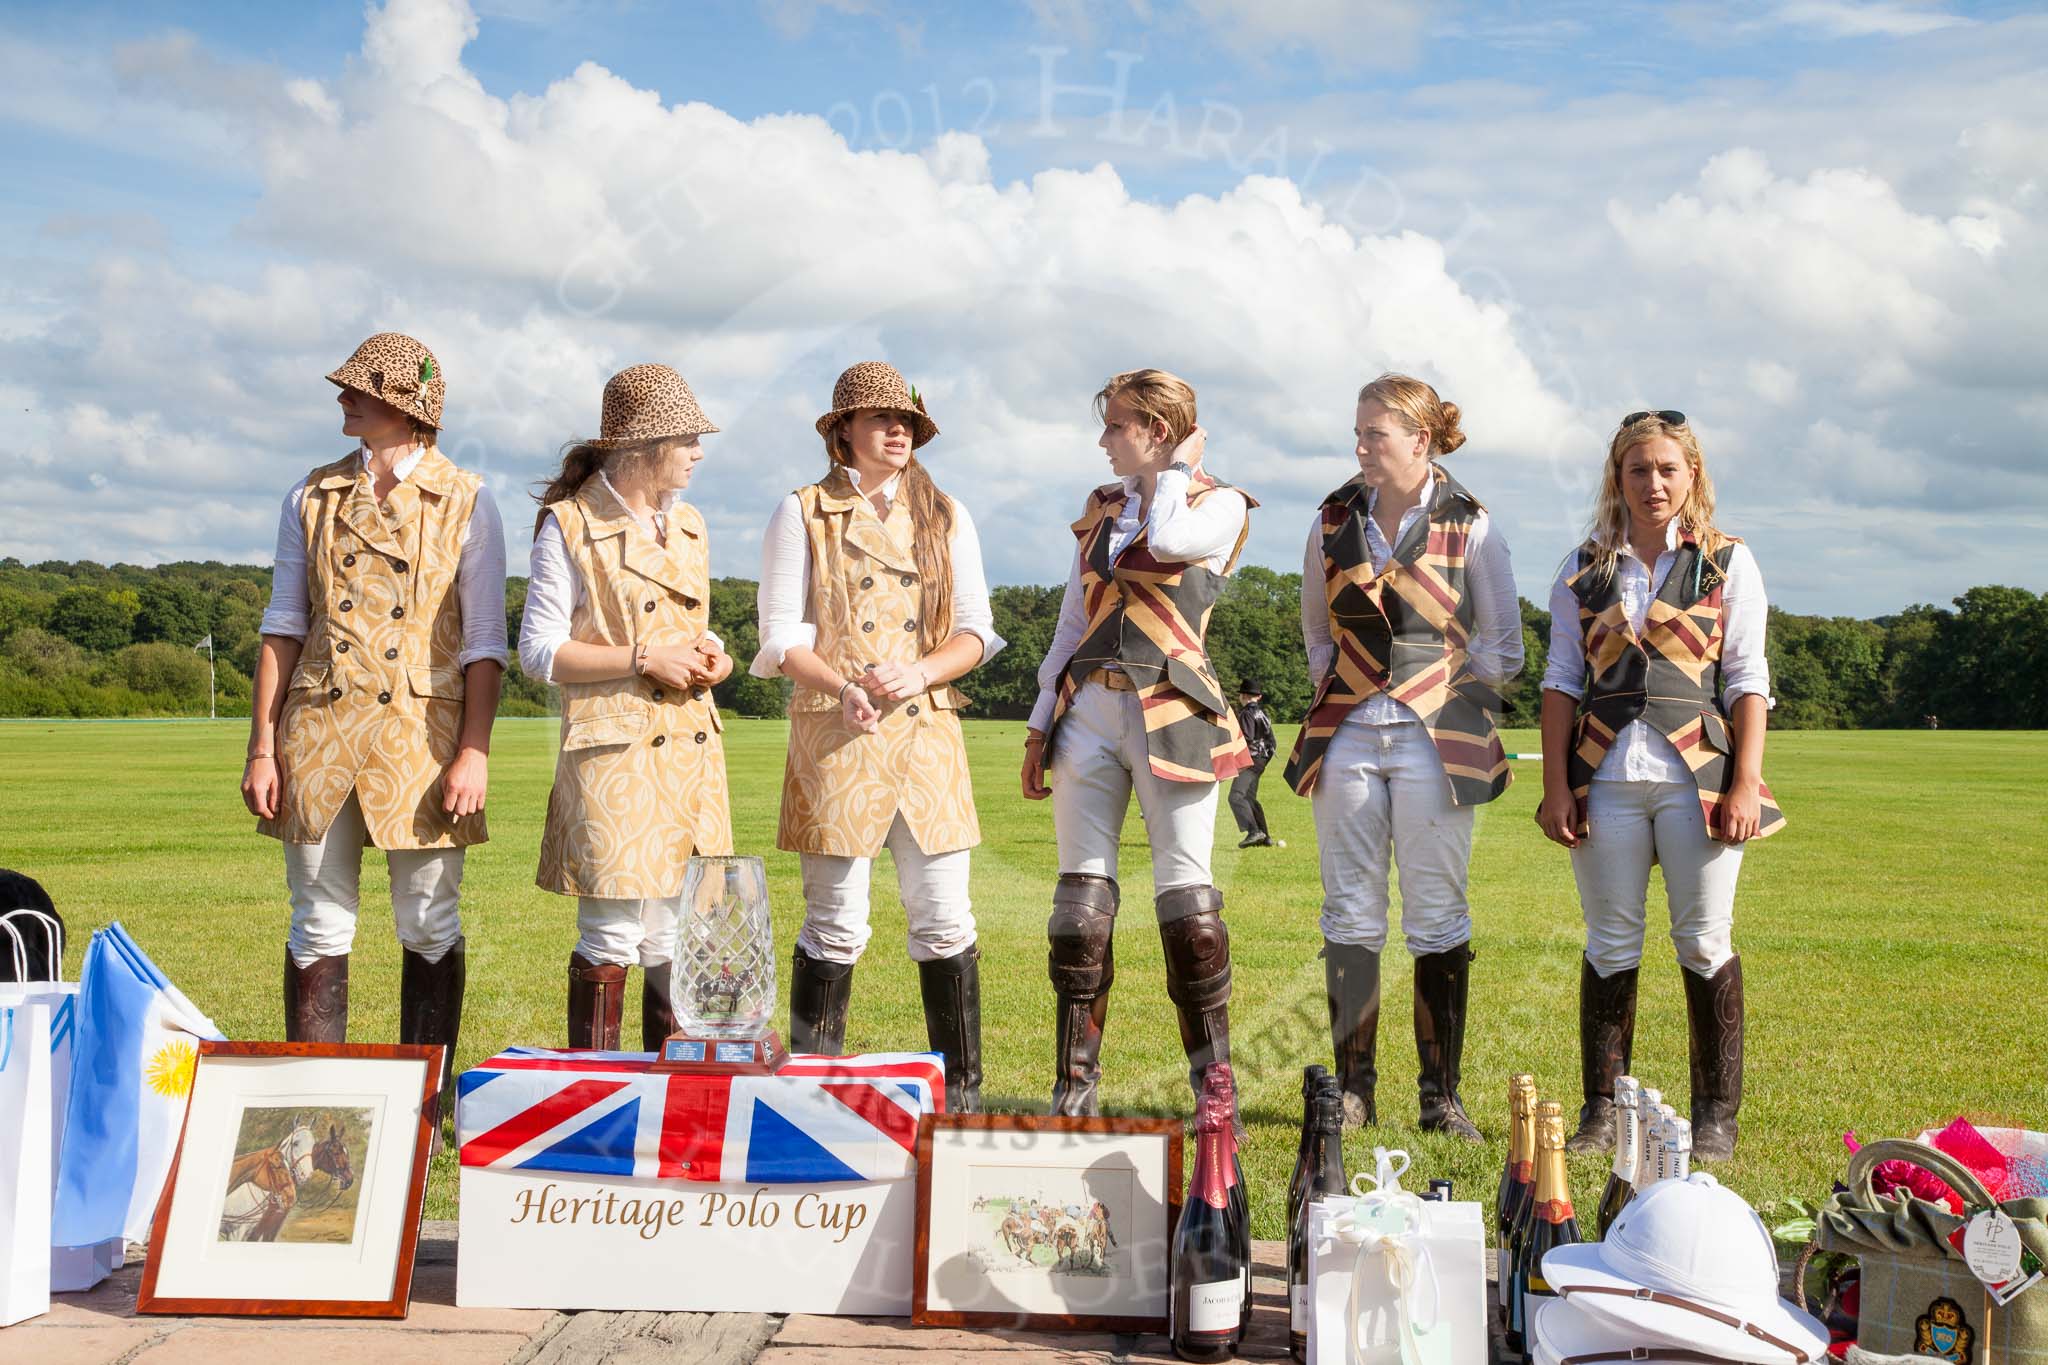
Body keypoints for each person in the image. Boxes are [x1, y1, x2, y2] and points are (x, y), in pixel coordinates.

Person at [242, 333, 505, 1117]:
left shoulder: (467, 497)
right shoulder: (310, 495)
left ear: (405, 404)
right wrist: (262, 745)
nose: (341, 397)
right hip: (316, 735)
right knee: (317, 919)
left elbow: (484, 640)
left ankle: (423, 1107)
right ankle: (318, 1105)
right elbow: (283, 624)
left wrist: (475, 751)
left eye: (358, 387)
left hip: (422, 741)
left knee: (429, 920)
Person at [751, 361, 1004, 1112]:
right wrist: (845, 685)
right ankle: (810, 1097)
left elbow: (977, 632)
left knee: (946, 917)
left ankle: (961, 1099)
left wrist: (921, 672)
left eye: (909, 422)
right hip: (836, 735)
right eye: (881, 419)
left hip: (928, 735)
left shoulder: (946, 514)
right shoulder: (800, 511)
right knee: (834, 923)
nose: (899, 431)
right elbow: (778, 638)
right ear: (842, 431)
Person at [1535, 410, 1782, 1162]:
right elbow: (1559, 681)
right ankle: (1603, 1111)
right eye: (1639, 469)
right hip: (1605, 777)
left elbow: (1746, 676)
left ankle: (1715, 1114)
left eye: (1668, 469)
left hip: (1697, 779)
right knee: (1610, 939)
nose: (1654, 483)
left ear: (1692, 475)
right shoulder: (1584, 565)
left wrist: (1746, 781)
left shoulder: (1727, 560)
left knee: (1704, 940)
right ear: (1619, 477)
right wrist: (1555, 787)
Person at [1284, 374, 1520, 1140]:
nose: (1360, 446)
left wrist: (1448, 696)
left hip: (1434, 739)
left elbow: (1504, 644)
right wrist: (1342, 684)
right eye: (1358, 432)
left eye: (1375, 434)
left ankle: (1438, 1096)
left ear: (1420, 440)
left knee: (1438, 914)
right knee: (1349, 911)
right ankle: (1355, 1091)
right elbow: (1316, 630)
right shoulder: (1330, 519)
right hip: (1349, 730)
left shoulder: (1472, 523)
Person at [1023, 368, 1256, 1117]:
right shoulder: (1101, 510)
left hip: (1174, 707)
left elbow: (1170, 537)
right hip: (1088, 706)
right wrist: (1037, 723)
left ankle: (1214, 1099)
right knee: (1078, 915)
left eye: (1117, 424)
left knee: (1190, 917)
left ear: (1157, 429)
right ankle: (1075, 1090)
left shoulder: (1216, 503)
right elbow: (1070, 620)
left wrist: (1178, 470)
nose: (1102, 439)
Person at [520, 364, 735, 1050]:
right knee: (611, 931)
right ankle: (599, 1099)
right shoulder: (571, 524)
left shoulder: (692, 524)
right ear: (645, 447)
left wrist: (711, 654)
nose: (700, 453)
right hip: (613, 752)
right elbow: (539, 651)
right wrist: (643, 657)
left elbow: (691, 625)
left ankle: (668, 1104)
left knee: (674, 932)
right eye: (689, 439)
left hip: (689, 745)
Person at [1228, 682, 1281, 848]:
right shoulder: (1263, 713)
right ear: (1259, 696)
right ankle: (1265, 838)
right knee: (1249, 798)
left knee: (1236, 796)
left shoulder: (1246, 713)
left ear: (1242, 696)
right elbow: (1273, 741)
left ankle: (1254, 831)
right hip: (1262, 759)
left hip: (1250, 759)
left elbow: (1247, 737)